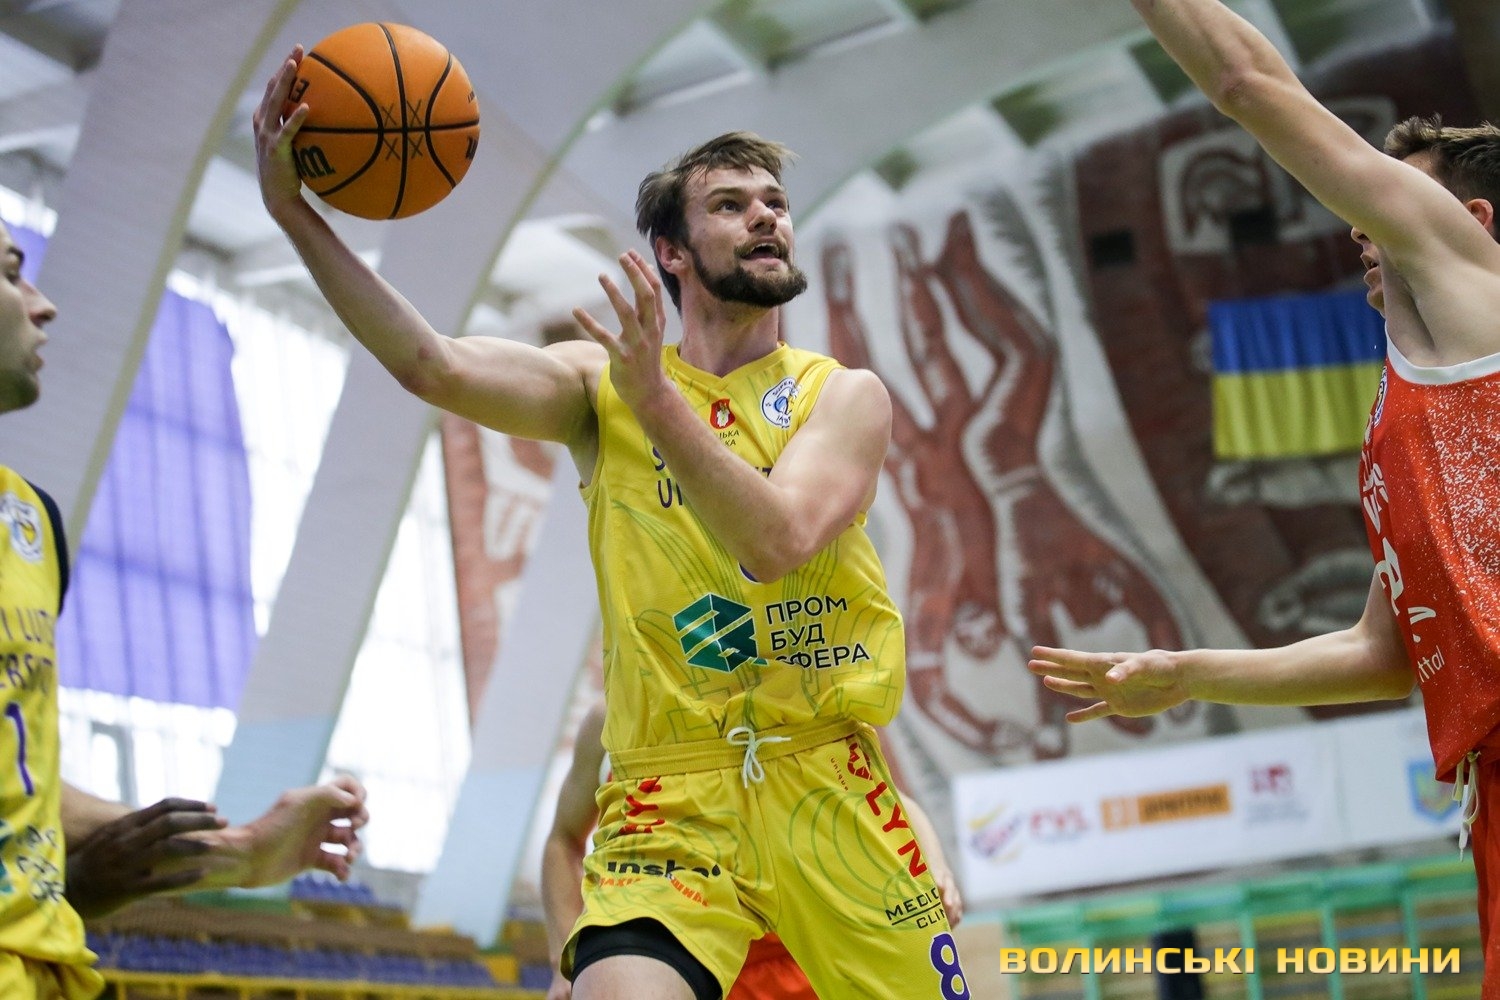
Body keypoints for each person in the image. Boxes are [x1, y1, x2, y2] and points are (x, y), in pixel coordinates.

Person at [256, 47, 969, 1000]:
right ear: (671, 252)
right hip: (666, 800)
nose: (766, 215)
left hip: (829, 784)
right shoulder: (601, 389)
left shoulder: (841, 397)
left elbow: (776, 543)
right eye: (730, 204)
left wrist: (658, 401)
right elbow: (431, 364)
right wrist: (292, 215)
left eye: (775, 203)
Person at [1027, 0, 1500, 993]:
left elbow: (1248, 84)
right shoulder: (1410, 416)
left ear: (1471, 223)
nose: (1356, 222)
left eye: (1382, 198)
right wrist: (1189, 673)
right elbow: (1384, 654)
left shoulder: (1479, 289)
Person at [1, 219, 371, 998]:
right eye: (9, 273)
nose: (43, 303)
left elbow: (24, 781)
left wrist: (238, 850)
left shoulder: (31, 519)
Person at [540, 704, 965, 1000]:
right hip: (705, 958)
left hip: (811, 953)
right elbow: (562, 839)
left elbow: (885, 799)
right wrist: (563, 956)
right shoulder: (609, 720)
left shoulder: (805, 693)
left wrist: (936, 866)